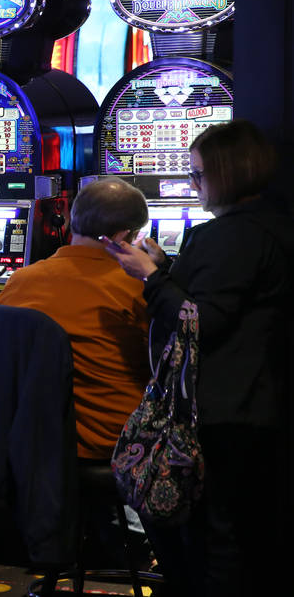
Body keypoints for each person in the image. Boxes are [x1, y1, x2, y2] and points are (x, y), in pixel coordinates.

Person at [103, 120, 294, 597]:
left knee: (214, 539)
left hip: (224, 410)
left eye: (198, 175)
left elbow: (199, 321)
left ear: (228, 174)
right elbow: (224, 300)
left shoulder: (230, 236)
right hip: (257, 402)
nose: (193, 185)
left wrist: (149, 276)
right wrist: (167, 268)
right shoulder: (270, 225)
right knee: (243, 535)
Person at [0, 177, 151, 461]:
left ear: (68, 220)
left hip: (31, 438)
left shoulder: (20, 280)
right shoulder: (138, 288)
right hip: (112, 442)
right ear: (121, 237)